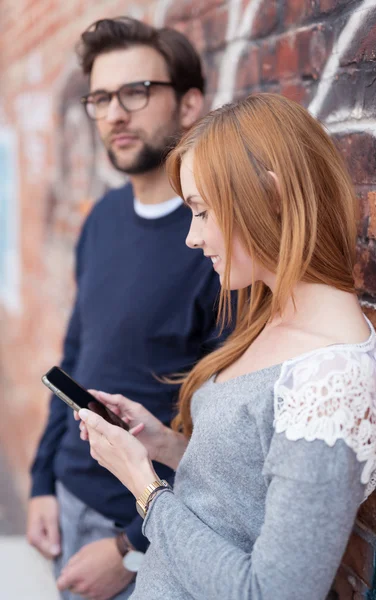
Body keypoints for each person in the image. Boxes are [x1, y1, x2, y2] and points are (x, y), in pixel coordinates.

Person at [76, 93, 376, 600]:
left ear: (268, 196)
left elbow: (270, 593)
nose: (192, 237)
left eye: (201, 212)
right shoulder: (273, 315)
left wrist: (144, 487)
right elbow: (242, 491)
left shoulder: (332, 382)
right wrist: (162, 444)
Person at [27, 17, 223, 600]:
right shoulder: (102, 220)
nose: (115, 113)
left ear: (189, 105)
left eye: (136, 92)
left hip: (147, 524)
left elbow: (219, 439)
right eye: (101, 97)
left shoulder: (217, 243)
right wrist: (42, 480)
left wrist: (130, 548)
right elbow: (76, 356)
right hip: (67, 496)